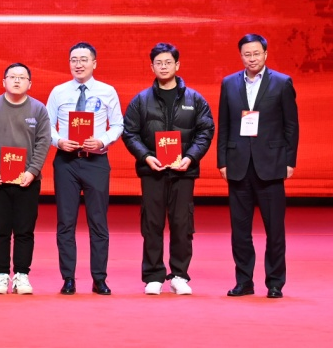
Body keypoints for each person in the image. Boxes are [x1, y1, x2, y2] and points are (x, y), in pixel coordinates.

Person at [121, 42, 215, 296]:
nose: (163, 67)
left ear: (177, 65)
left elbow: (205, 131)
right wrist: (146, 157)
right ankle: (153, 276)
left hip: (183, 171)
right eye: (158, 63)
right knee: (151, 224)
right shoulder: (141, 100)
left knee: (182, 224)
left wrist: (191, 157)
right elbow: (130, 133)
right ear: (151, 67)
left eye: (168, 62)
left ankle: (179, 275)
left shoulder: (195, 99)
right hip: (153, 170)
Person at [218, 33, 299, 299]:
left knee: (274, 230)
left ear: (265, 54)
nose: (252, 58)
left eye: (256, 53)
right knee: (240, 231)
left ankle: (275, 283)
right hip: (238, 165)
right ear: (241, 56)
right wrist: (222, 161)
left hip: (271, 165)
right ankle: (244, 282)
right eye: (247, 54)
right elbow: (224, 124)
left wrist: (289, 161)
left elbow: (291, 126)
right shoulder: (229, 83)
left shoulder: (282, 82)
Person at [46, 41, 123, 295]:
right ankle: (68, 278)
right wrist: (59, 141)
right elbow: (47, 125)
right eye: (74, 60)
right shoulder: (58, 91)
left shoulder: (107, 91)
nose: (78, 64)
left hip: (96, 161)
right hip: (66, 162)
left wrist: (102, 140)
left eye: (83, 59)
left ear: (94, 63)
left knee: (98, 221)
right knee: (66, 222)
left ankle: (99, 278)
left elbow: (118, 125)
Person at [0, 62, 53, 295]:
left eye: (22, 77)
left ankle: (21, 274)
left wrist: (33, 170)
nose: (17, 80)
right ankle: (0, 274)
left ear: (30, 83)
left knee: (24, 229)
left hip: (28, 181)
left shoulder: (38, 109)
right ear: (4, 81)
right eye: (12, 76)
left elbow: (43, 141)